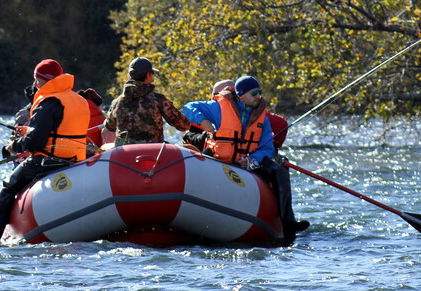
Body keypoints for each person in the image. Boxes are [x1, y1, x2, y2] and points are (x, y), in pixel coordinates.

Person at [0, 59, 91, 244]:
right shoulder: (78, 99)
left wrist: (13, 147)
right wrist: (27, 131)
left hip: (49, 159)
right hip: (76, 158)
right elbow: (62, 129)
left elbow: (35, 144)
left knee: (8, 186)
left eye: (37, 80)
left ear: (45, 80)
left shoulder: (49, 102)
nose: (34, 85)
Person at [184, 75, 308, 238]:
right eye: (254, 93)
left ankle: (289, 223)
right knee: (199, 161)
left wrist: (252, 160)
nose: (259, 96)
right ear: (241, 95)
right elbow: (188, 107)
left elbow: (267, 147)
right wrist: (204, 121)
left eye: (260, 92)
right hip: (219, 157)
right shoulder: (219, 107)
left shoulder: (261, 115)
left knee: (280, 171)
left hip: (247, 161)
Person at [104, 57, 192, 145]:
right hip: (153, 152)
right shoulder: (158, 100)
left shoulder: (117, 102)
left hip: (125, 152)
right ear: (148, 75)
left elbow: (110, 126)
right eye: (152, 73)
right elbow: (183, 125)